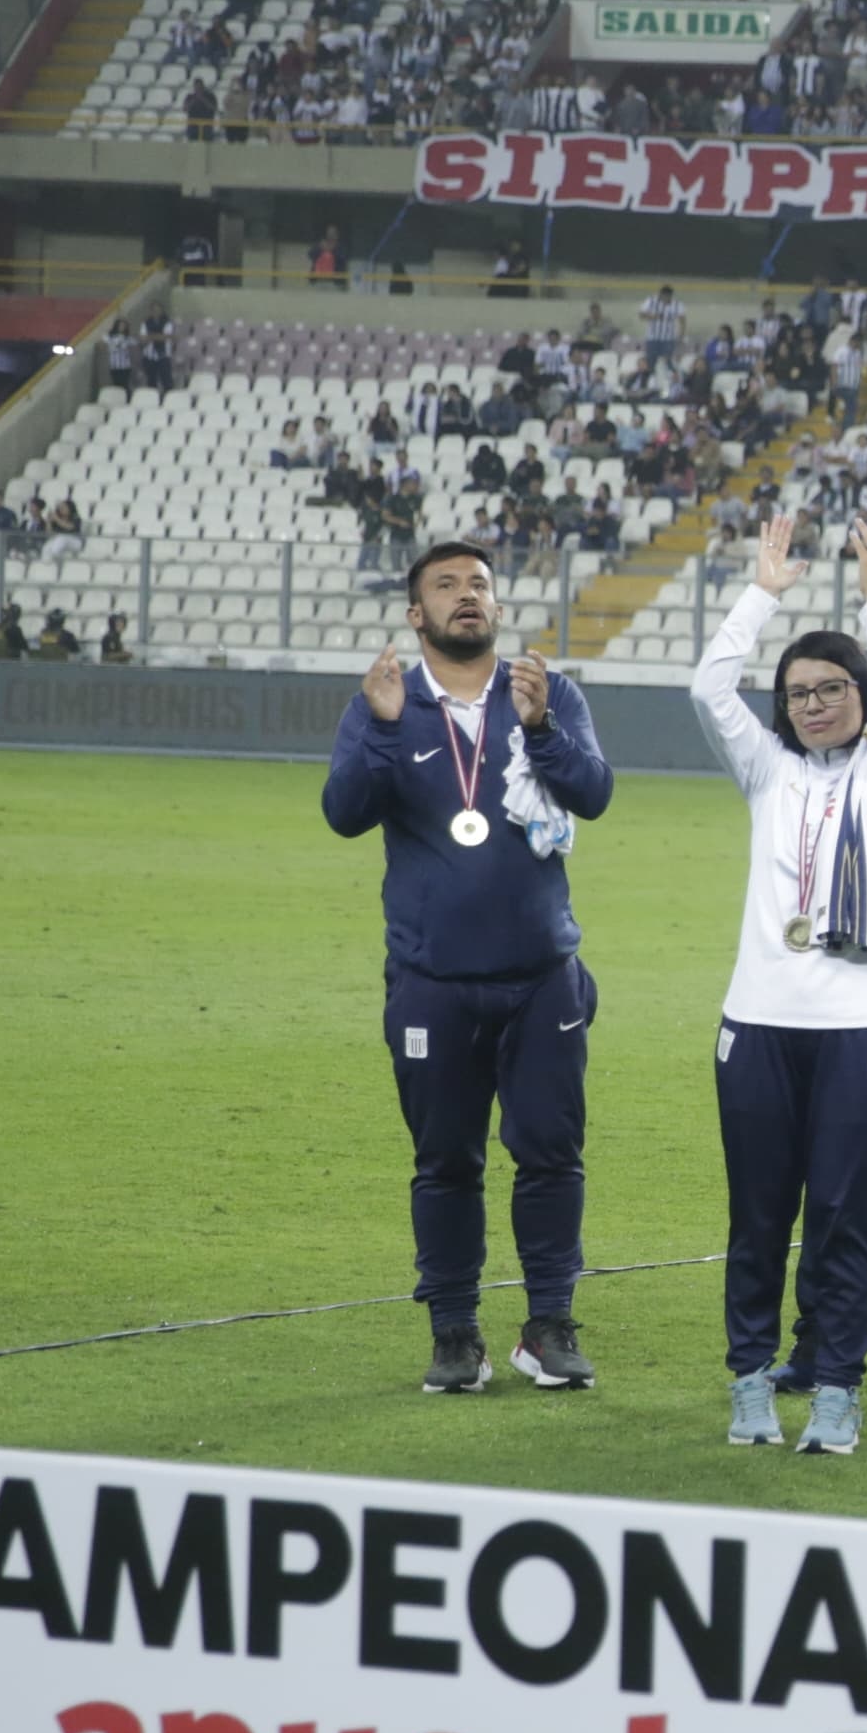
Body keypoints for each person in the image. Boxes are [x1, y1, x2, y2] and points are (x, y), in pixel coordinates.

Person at [321, 540, 615, 1395]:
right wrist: (379, 730)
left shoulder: (545, 691)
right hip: (432, 982)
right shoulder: (386, 701)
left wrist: (542, 731)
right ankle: (454, 1332)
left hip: (542, 976)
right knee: (445, 1160)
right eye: (444, 586)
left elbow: (593, 793)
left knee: (552, 1155)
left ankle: (549, 1325)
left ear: (497, 603)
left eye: (478, 584)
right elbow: (343, 813)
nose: (465, 596)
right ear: (416, 614)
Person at [694, 514, 867, 1456]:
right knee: (757, 1215)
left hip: (866, 1023)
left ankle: (837, 1388)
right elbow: (710, 688)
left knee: (844, 1217)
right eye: (796, 692)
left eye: (831, 687)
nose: (812, 704)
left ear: (860, 691)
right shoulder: (766, 770)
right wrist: (763, 591)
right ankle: (750, 1380)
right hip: (757, 1022)